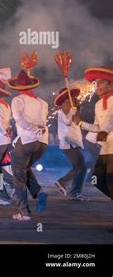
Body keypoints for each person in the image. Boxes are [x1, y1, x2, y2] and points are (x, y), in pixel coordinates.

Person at [73, 66, 112, 232]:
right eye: (96, 83)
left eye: (102, 83)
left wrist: (105, 131)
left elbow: (111, 120)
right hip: (105, 149)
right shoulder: (97, 104)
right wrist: (81, 123)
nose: (97, 86)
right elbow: (97, 126)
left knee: (111, 183)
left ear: (111, 85)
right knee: (97, 179)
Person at [8, 70, 49, 221]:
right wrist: (37, 129)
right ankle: (38, 192)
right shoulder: (42, 102)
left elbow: (18, 119)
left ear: (17, 87)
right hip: (42, 143)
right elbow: (43, 122)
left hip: (27, 140)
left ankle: (24, 212)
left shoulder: (18, 100)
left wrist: (31, 129)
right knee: (24, 169)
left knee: (18, 174)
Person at [54, 88, 88, 201]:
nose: (75, 98)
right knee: (81, 167)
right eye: (72, 96)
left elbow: (75, 122)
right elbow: (68, 122)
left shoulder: (72, 107)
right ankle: (75, 192)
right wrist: (74, 111)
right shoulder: (65, 105)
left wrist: (76, 110)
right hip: (69, 142)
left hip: (73, 142)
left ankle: (63, 182)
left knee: (78, 167)